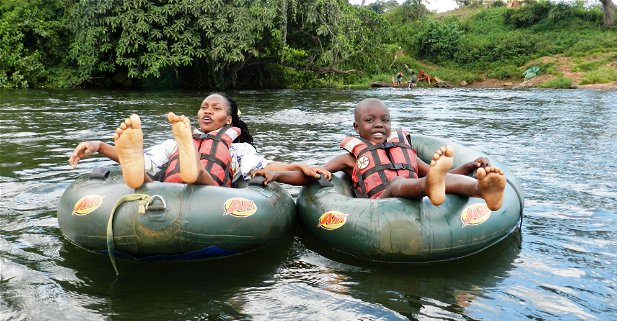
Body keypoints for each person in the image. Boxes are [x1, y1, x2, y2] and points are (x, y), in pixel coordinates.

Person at [255, 98, 506, 210]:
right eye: (370, 120)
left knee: (435, 179)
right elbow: (314, 176)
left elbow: (440, 176)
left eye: (385, 120)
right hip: (379, 203)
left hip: (420, 187)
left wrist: (469, 167)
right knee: (399, 183)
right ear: (356, 128)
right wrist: (277, 175)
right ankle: (430, 188)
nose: (379, 124)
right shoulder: (349, 159)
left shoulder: (403, 150)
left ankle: (482, 191)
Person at [68, 93, 329, 189]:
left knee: (197, 176)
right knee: (143, 171)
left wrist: (299, 165)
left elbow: (265, 166)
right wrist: (100, 146)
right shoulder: (181, 141)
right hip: (170, 191)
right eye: (204, 107)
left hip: (211, 193)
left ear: (229, 121)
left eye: (215, 108)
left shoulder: (237, 146)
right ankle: (145, 179)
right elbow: (146, 161)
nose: (206, 111)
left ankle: (195, 171)